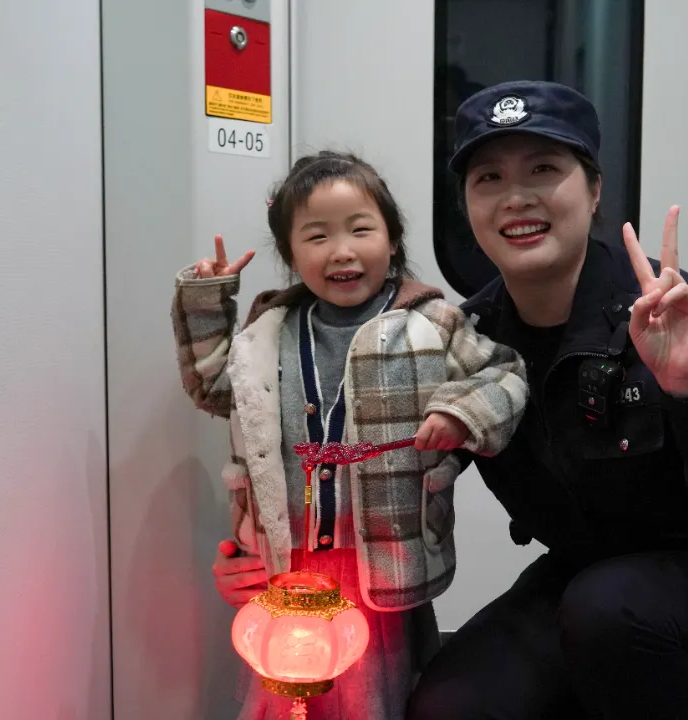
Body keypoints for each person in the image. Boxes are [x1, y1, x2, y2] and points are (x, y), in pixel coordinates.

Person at [400, 80, 688, 719]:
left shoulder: (668, 310)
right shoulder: (469, 339)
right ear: (467, 203)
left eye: (544, 169)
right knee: (448, 707)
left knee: (610, 613)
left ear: (594, 189)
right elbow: (399, 460)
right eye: (488, 177)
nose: (516, 197)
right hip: (587, 580)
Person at [171, 150, 528, 720]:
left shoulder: (431, 323)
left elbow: (504, 373)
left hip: (379, 562)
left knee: (373, 696)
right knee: (278, 692)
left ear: (392, 239)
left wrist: (461, 413)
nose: (341, 250)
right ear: (291, 254)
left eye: (360, 229)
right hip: (285, 562)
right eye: (317, 236)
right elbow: (213, 385)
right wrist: (208, 302)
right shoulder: (269, 331)